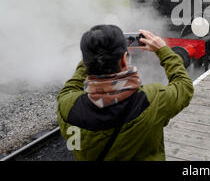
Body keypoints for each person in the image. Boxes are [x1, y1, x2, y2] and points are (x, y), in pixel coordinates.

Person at [57, 25, 194, 161]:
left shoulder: (67, 106)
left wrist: (94, 54)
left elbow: (72, 85)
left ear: (86, 64)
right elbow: (184, 86)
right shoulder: (152, 99)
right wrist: (163, 51)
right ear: (124, 59)